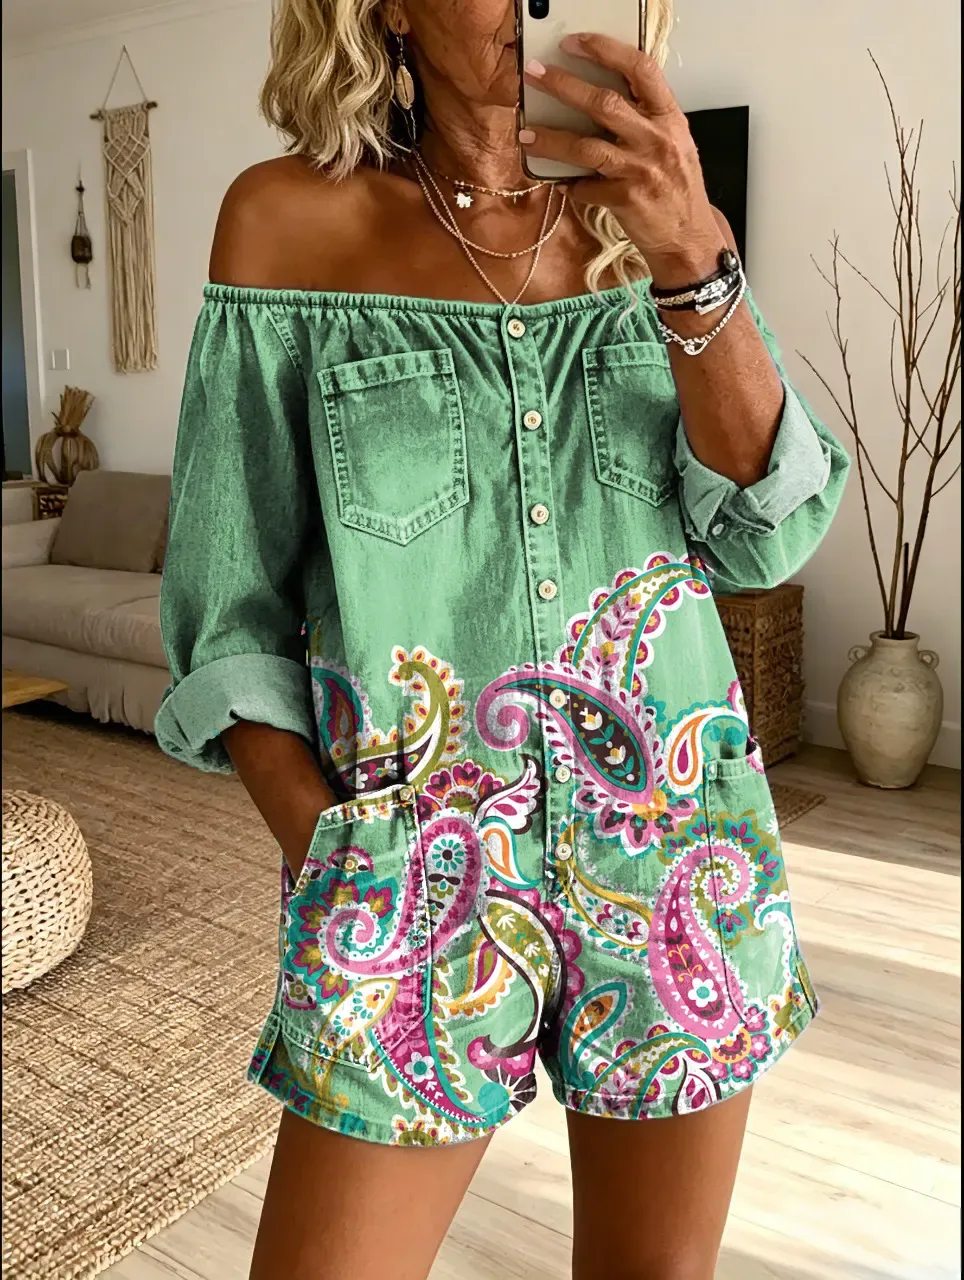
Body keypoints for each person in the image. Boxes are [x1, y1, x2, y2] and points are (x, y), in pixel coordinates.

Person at [156, 1, 849, 1276]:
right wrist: (331, 847)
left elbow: (765, 530)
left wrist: (693, 255)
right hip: (412, 872)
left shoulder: (652, 221)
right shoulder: (287, 223)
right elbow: (227, 601)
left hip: (672, 854)